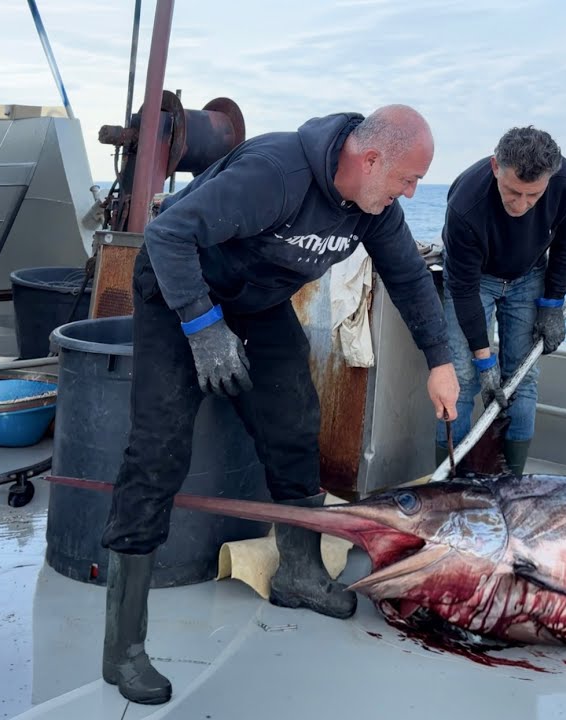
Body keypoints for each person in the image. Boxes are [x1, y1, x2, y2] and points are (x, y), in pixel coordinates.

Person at [98, 104, 459, 705]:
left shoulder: (373, 206)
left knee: (295, 427)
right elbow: (167, 233)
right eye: (407, 179)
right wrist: (203, 328)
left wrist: (441, 362)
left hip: (258, 304)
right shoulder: (276, 172)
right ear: (370, 160)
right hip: (174, 289)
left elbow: (410, 279)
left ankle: (299, 572)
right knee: (159, 450)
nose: (411, 193)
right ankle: (123, 646)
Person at [435, 126, 566, 475]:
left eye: (533, 196)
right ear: (494, 167)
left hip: (529, 275)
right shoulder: (465, 204)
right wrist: (486, 365)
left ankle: (511, 482)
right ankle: (445, 486)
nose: (521, 205)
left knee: (522, 379)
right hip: (475, 280)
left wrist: (553, 305)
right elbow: (464, 290)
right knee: (461, 380)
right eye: (513, 191)